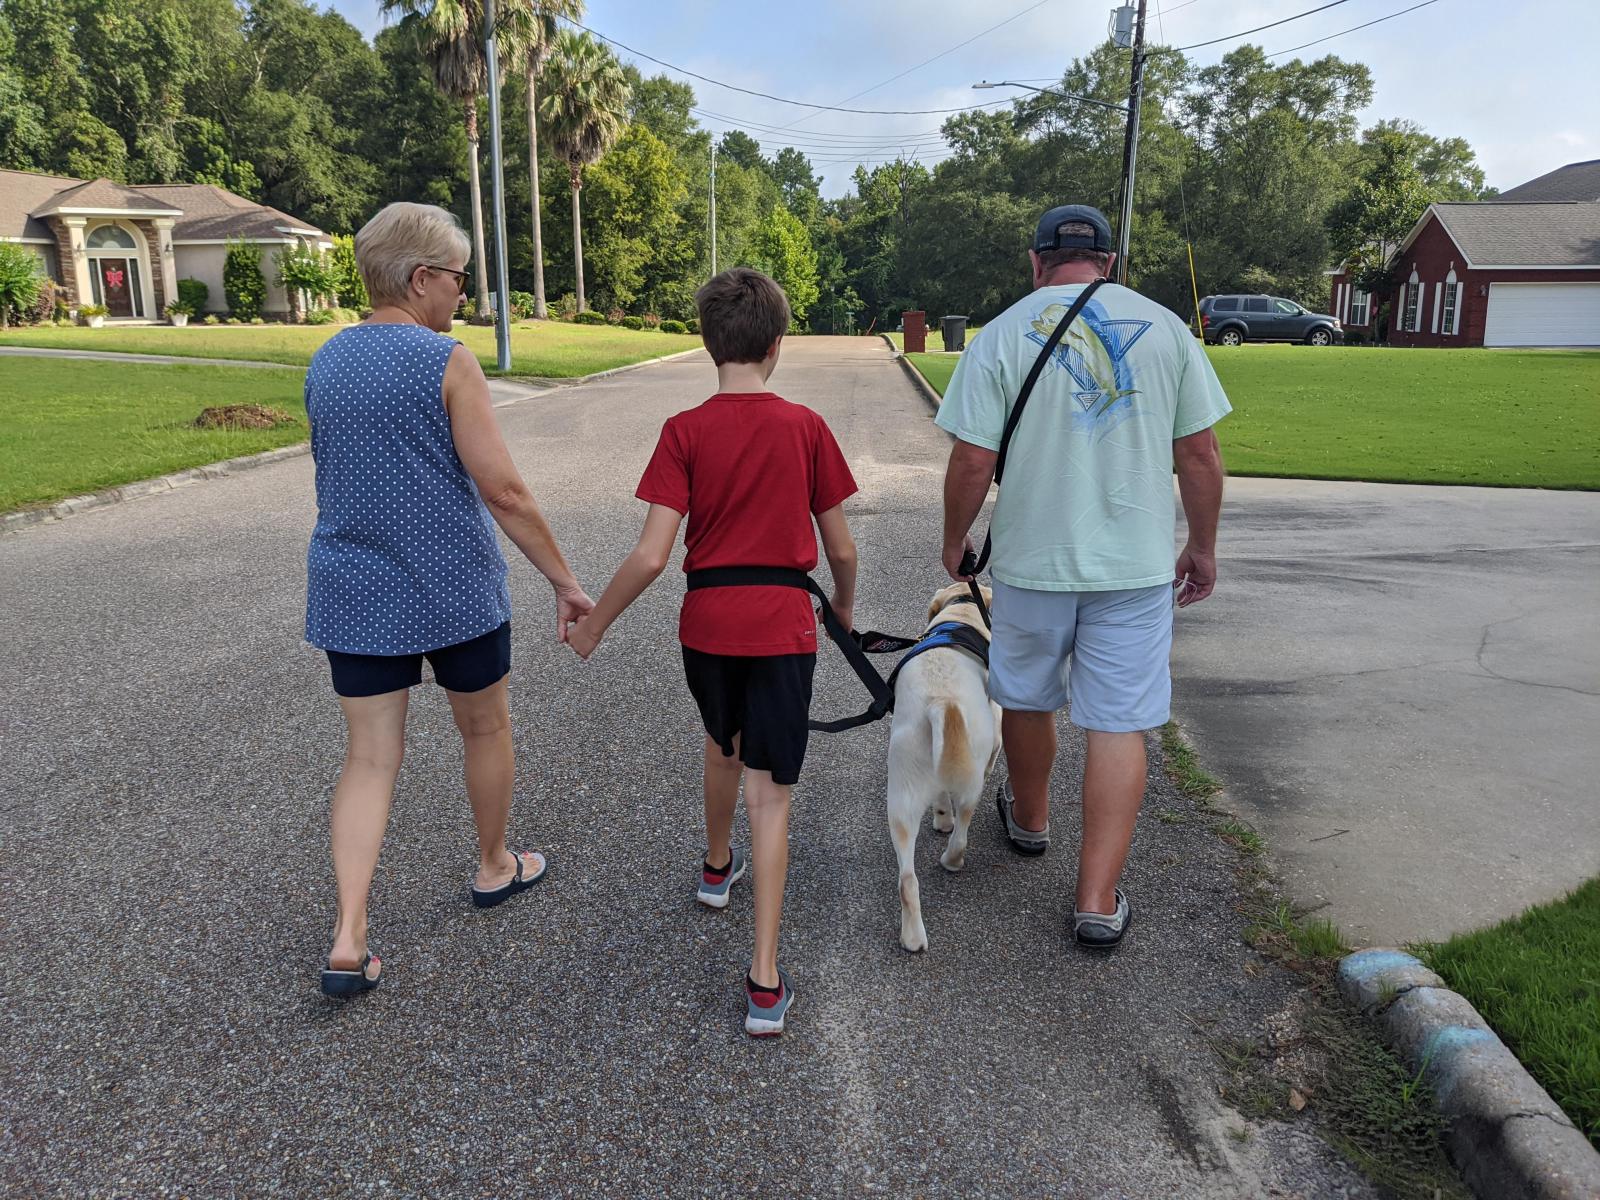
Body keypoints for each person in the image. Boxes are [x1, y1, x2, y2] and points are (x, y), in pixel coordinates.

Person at [304, 202, 593, 996]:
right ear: (420, 277)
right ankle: (495, 865)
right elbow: (503, 489)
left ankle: (349, 933)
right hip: (453, 587)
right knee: (485, 726)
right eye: (460, 278)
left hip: (354, 590)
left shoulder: (326, 360)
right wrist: (565, 581)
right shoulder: (447, 360)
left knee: (369, 757)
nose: (465, 293)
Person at [567, 268, 859, 1037]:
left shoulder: (683, 430)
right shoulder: (806, 427)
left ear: (707, 343)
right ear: (777, 343)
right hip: (783, 624)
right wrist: (844, 608)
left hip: (708, 623)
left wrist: (595, 625)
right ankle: (764, 980)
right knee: (773, 793)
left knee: (720, 740)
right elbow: (842, 549)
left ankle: (716, 864)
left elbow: (651, 555)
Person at [937, 204, 1229, 950]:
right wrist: (1201, 546)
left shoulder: (1001, 334)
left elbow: (973, 459)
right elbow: (1199, 454)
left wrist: (955, 539)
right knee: (1118, 722)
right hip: (1133, 566)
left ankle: (1031, 820)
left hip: (1033, 562)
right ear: (1110, 263)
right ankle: (1096, 900)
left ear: (1036, 262)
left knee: (1027, 696)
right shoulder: (1167, 329)